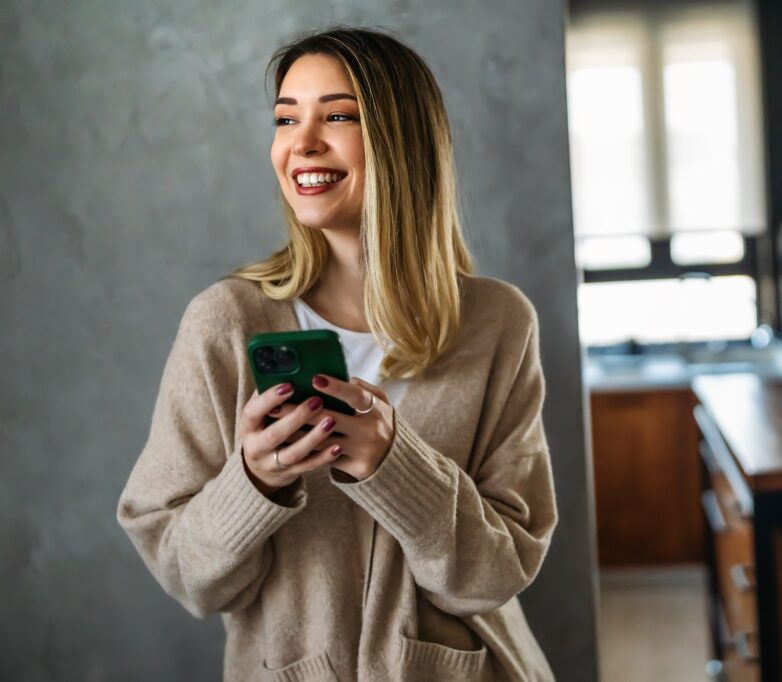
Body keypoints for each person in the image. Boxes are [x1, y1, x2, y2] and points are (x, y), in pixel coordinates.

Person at [116, 25, 558, 682]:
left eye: (339, 116)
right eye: (286, 118)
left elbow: (497, 574)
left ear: (401, 139)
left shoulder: (497, 323)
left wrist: (392, 465)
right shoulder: (226, 323)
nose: (301, 143)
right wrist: (254, 482)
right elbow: (190, 579)